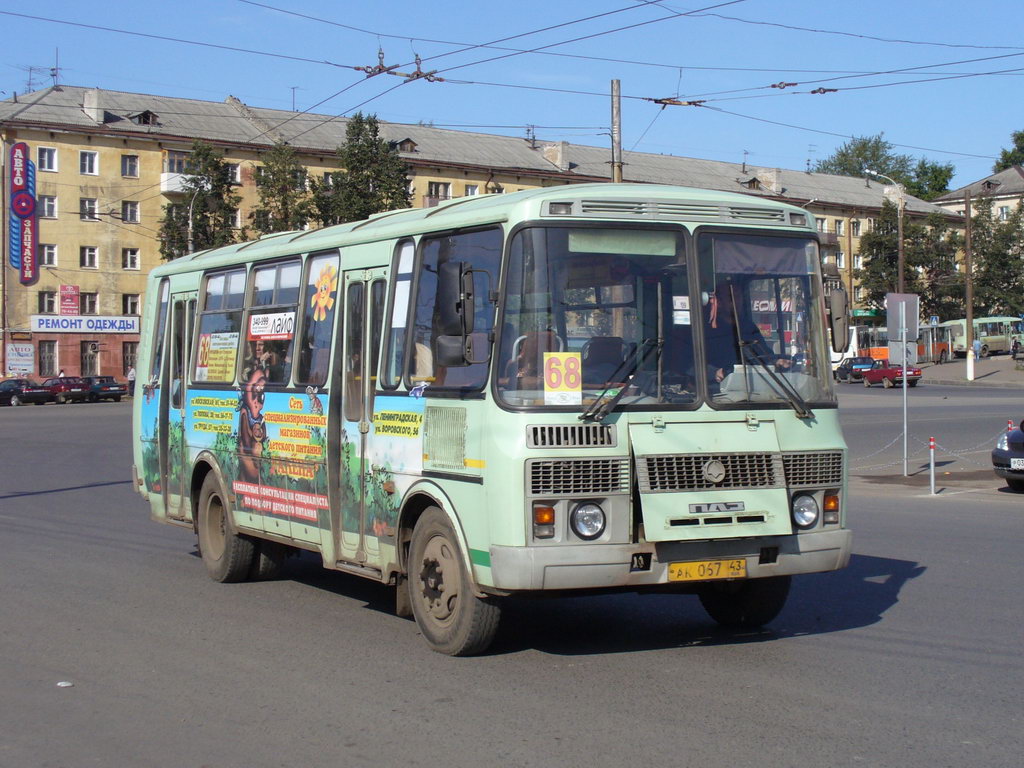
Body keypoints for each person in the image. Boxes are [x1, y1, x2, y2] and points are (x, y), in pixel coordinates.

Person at [703, 281, 792, 386]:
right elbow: (688, 364)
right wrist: (713, 372)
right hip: (713, 392)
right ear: (717, 301)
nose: (737, 301)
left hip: (749, 387)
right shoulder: (704, 329)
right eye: (731, 297)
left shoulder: (748, 327)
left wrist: (776, 362)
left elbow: (762, 355)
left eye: (738, 296)